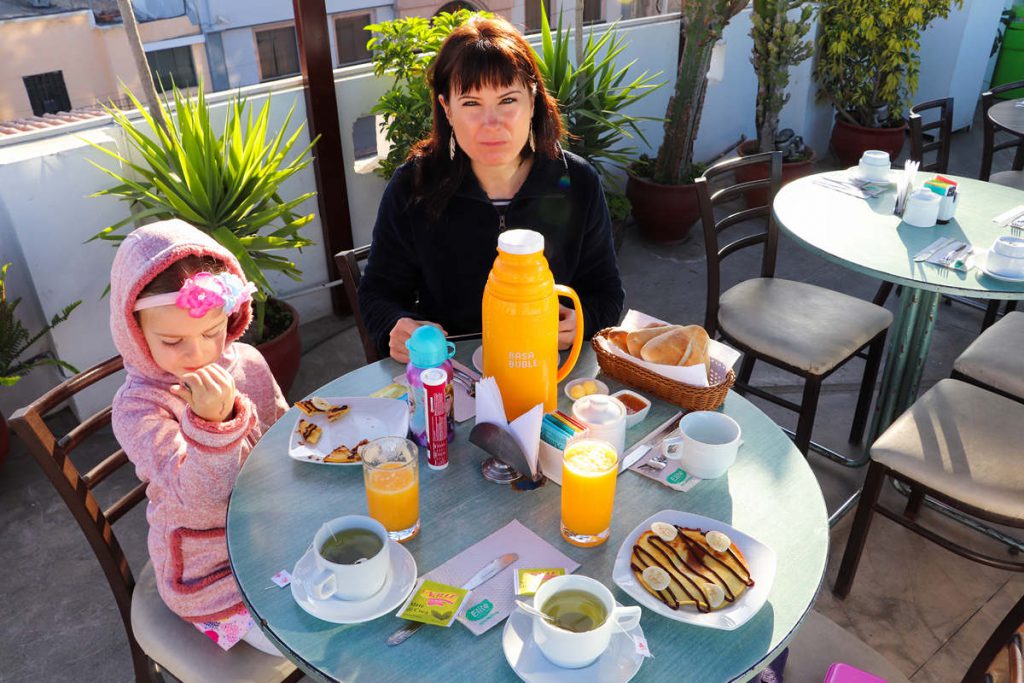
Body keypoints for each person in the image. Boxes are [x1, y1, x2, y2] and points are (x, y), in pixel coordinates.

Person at [359, 15, 625, 362]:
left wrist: (582, 322)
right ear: (447, 109)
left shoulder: (576, 182)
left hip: (547, 365)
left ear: (532, 101)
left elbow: (606, 292)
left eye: (507, 101)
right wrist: (395, 325)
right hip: (451, 372)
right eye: (471, 103)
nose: (491, 124)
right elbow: (377, 293)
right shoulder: (415, 186)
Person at [109, 218, 288, 656]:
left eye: (211, 332)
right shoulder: (138, 409)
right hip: (212, 577)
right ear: (135, 334)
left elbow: (281, 437)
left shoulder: (245, 361)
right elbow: (201, 498)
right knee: (308, 633)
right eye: (172, 340)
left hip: (275, 532)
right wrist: (213, 425)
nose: (198, 354)